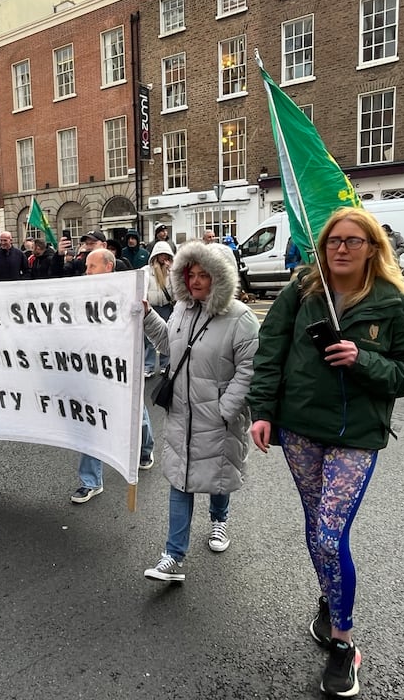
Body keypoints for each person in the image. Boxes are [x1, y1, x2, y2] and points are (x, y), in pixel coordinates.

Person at [246, 207, 404, 698]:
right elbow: (270, 350)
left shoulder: (393, 303)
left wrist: (362, 358)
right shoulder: (303, 291)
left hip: (356, 435)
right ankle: (331, 599)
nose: (342, 248)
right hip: (301, 429)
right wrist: (262, 411)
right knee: (315, 525)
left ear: (373, 247)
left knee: (330, 535)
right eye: (333, 241)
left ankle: (344, 643)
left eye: (353, 241)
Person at [141, 241, 259, 581]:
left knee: (217, 476)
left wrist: (227, 409)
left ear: (220, 277)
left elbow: (250, 369)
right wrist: (149, 315)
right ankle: (173, 556)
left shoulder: (241, 318)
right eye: (190, 273)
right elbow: (169, 346)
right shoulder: (182, 309)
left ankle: (219, 521)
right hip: (182, 412)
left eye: (203, 274)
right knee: (181, 480)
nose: (194, 281)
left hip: (218, 416)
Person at [71, 248, 156, 503]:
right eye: (86, 266)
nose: (87, 271)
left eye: (91, 266)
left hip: (122, 367)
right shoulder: (82, 293)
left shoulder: (128, 292)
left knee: (135, 415)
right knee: (91, 421)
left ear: (108, 267)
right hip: (92, 367)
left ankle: (144, 450)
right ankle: (91, 481)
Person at [143, 241, 174, 378]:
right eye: (160, 254)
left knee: (166, 336)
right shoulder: (146, 271)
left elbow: (177, 289)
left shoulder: (172, 271)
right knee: (149, 339)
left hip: (166, 307)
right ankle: (148, 366)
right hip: (152, 307)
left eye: (166, 255)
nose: (163, 257)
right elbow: (142, 287)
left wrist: (173, 271)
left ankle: (165, 364)